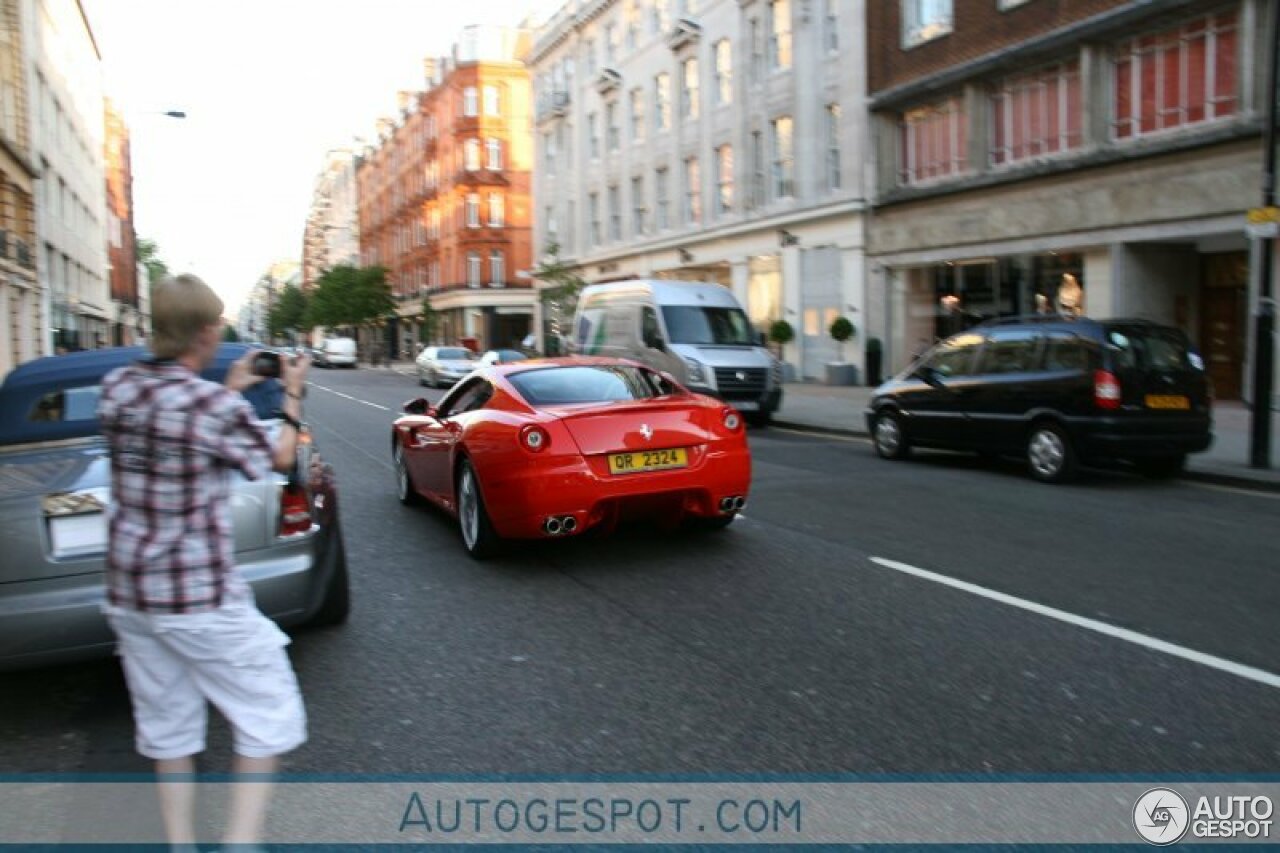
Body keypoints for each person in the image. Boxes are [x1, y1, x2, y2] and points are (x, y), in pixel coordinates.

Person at [96, 274, 310, 851]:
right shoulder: (211, 405)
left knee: (168, 726)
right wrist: (291, 394)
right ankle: (240, 844)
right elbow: (277, 459)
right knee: (269, 707)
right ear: (209, 330)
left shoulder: (117, 388)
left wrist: (232, 390)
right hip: (197, 595)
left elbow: (175, 431)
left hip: (130, 594)